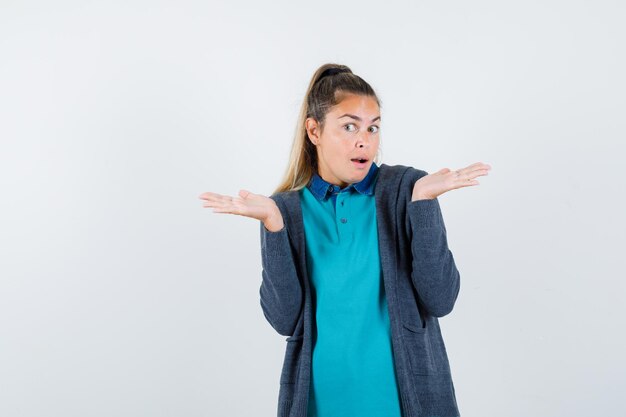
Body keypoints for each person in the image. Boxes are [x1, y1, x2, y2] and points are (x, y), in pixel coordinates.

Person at [199, 63, 491, 417]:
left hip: (402, 404)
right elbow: (284, 320)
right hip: (320, 405)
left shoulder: (406, 191)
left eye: (373, 127)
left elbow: (441, 299)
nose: (363, 139)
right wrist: (273, 226)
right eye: (349, 126)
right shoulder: (285, 209)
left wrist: (424, 206)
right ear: (314, 131)